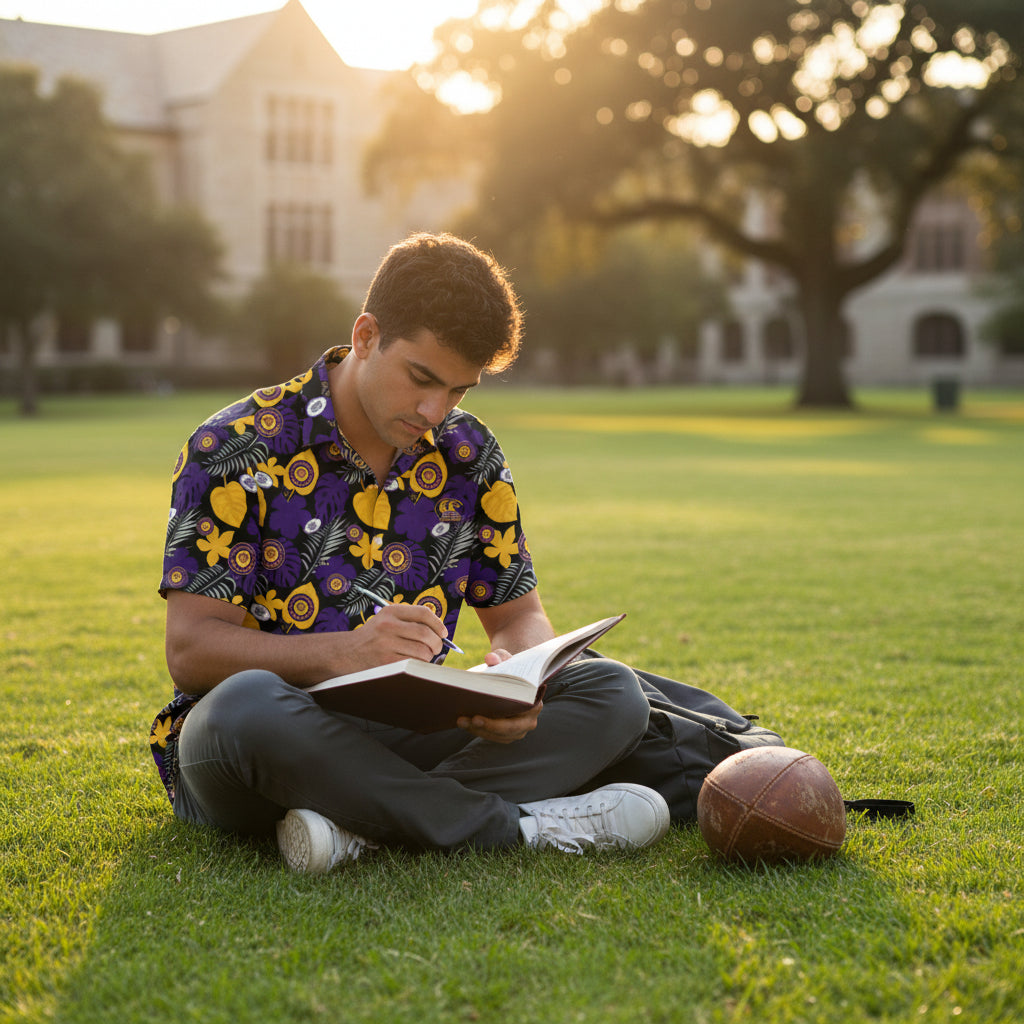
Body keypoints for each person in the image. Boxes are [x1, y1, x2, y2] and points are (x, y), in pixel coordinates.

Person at [149, 232, 673, 872]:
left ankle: (361, 829)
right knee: (242, 705)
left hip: (413, 737)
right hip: (269, 747)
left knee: (609, 689)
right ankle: (518, 829)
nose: (435, 410)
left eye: (458, 391)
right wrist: (344, 653)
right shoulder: (233, 447)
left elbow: (517, 616)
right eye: (421, 379)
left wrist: (518, 680)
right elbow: (192, 652)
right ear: (365, 336)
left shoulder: (469, 453)